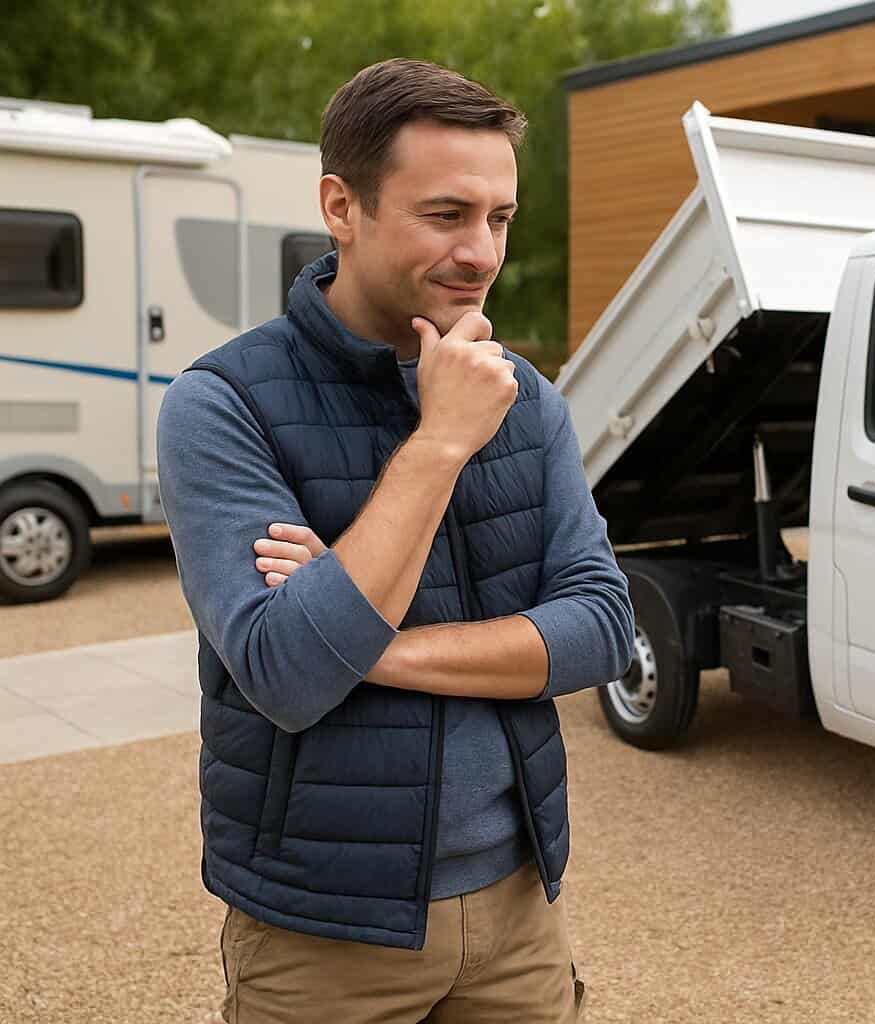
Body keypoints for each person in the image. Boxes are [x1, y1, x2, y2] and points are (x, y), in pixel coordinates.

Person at [157, 57, 634, 1023]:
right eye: (446, 214)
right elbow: (288, 674)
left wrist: (363, 642)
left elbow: (600, 630)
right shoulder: (224, 404)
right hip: (322, 935)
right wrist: (442, 439)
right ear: (344, 205)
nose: (482, 251)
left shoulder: (525, 398)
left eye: (500, 217)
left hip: (517, 911)